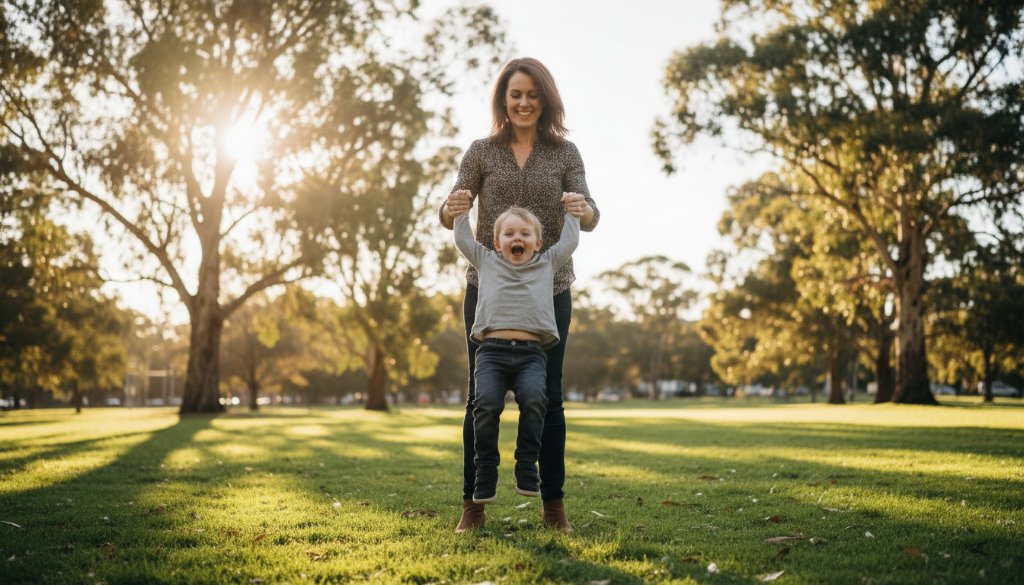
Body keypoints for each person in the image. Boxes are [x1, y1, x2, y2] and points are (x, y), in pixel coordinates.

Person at [439, 57, 600, 533]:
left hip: (549, 293)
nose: (524, 102)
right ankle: (474, 505)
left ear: (544, 99)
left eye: (532, 94)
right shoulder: (481, 151)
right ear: (503, 100)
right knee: (480, 399)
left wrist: (583, 209)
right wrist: (448, 207)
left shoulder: (565, 154)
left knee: (548, 397)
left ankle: (553, 505)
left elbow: (591, 212)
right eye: (516, 94)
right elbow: (453, 209)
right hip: (487, 293)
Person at [452, 204, 580, 505]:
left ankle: (525, 464)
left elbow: (570, 242)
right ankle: (485, 471)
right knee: (485, 404)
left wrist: (574, 212)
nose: (516, 238)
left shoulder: (547, 262)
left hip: (532, 354)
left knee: (537, 399)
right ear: (497, 243)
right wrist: (460, 211)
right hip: (491, 354)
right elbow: (464, 240)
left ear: (537, 243)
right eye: (508, 234)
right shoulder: (486, 260)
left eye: (524, 233)